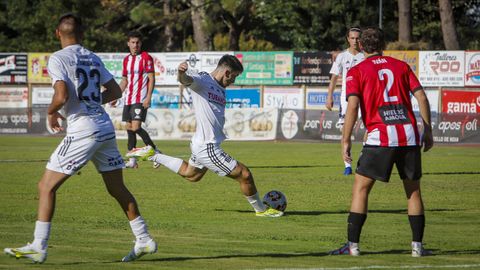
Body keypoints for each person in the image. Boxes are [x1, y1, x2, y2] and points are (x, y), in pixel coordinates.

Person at [4, 13, 157, 263]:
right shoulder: (92, 56)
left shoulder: (58, 58)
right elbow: (116, 91)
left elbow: (62, 96)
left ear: (57, 34)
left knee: (45, 186)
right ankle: (144, 239)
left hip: (83, 129)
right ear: (82, 34)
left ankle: (38, 246)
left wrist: (51, 112)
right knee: (116, 187)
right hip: (104, 127)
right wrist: (92, 102)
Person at [132, 55, 283, 217]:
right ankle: (261, 211)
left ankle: (153, 155)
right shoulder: (203, 81)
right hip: (206, 146)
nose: (234, 81)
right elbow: (186, 80)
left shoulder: (221, 88)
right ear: (226, 72)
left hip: (201, 143)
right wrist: (180, 73)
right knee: (244, 174)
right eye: (234, 76)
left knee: (192, 175)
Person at [329, 26, 433, 257]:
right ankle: (417, 247)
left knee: (361, 190)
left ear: (362, 46)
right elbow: (422, 96)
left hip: (380, 137)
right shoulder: (401, 66)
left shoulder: (357, 70)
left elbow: (353, 107)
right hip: (408, 135)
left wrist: (345, 140)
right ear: (384, 45)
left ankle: (353, 247)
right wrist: (427, 131)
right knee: (413, 192)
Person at [326, 27, 365, 175]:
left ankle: (363, 159)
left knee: (370, 128)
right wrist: (329, 96)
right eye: (352, 38)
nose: (355, 41)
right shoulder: (342, 57)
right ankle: (347, 165)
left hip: (364, 97)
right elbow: (334, 78)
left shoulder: (365, 56)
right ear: (348, 39)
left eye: (357, 38)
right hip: (347, 98)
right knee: (345, 133)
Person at [118, 31, 160, 169]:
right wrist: (116, 94)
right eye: (133, 42)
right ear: (128, 43)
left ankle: (155, 151)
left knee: (136, 127)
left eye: (138, 42)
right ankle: (132, 159)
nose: (135, 45)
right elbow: (124, 80)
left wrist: (148, 97)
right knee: (129, 128)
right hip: (128, 99)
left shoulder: (146, 57)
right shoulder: (126, 60)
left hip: (140, 98)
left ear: (140, 44)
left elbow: (151, 78)